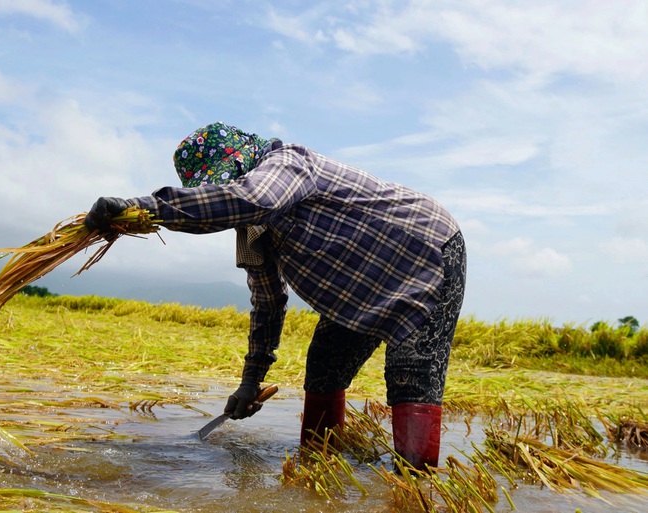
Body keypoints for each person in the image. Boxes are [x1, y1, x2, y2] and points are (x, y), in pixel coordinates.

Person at [84, 121, 466, 470]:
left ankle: (415, 485)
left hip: (426, 251)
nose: (226, 191)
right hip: (356, 287)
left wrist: (143, 208)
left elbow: (251, 199)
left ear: (243, 159)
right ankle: (319, 467)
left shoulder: (287, 163)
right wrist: (250, 381)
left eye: (224, 183)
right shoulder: (252, 231)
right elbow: (267, 303)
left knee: (410, 373)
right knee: (324, 366)